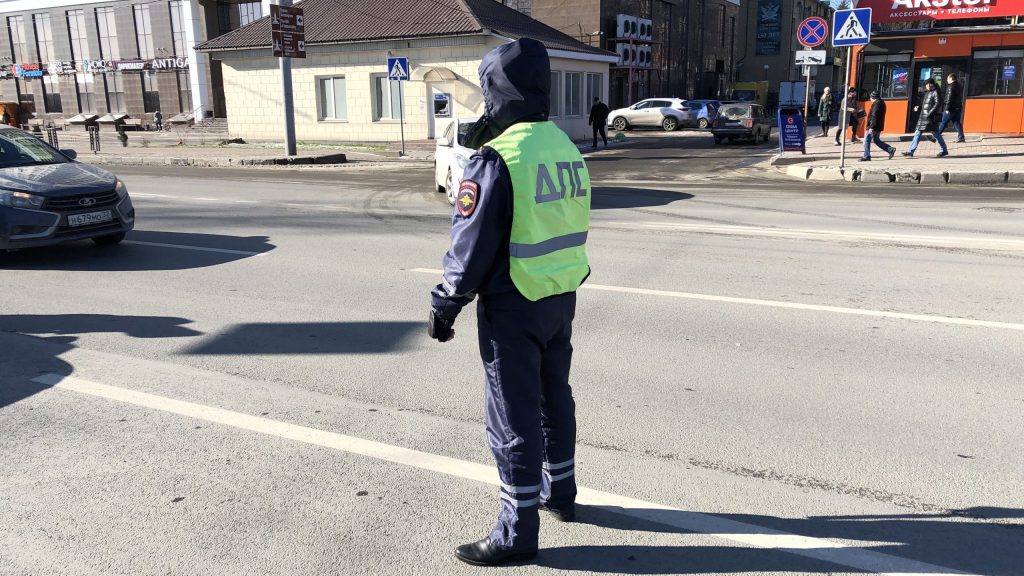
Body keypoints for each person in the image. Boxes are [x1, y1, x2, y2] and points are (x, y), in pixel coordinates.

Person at [428, 38, 589, 567]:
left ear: (498, 90)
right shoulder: (565, 148)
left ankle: (516, 532)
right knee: (553, 397)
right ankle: (560, 492)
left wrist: (445, 304)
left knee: (512, 414)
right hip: (559, 295)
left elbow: (470, 247)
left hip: (514, 301)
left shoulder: (499, 158)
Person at [903, 77, 946, 158]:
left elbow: (938, 103)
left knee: (934, 134)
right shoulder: (927, 93)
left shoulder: (936, 92)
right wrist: (919, 107)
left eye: (930, 84)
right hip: (924, 117)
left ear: (933, 84)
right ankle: (910, 151)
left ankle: (910, 151)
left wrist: (930, 113)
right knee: (921, 133)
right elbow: (926, 105)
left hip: (929, 117)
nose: (928, 85)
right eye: (927, 84)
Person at [860, 91, 896, 162]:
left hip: (873, 126)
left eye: (870, 98)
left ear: (873, 97)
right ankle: (890, 149)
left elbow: (874, 116)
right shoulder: (882, 102)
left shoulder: (876, 104)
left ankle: (867, 156)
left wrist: (871, 127)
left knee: (866, 140)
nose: (870, 99)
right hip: (878, 126)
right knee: (876, 140)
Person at [938, 72, 965, 143]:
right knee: (957, 122)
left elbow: (949, 99)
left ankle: (935, 137)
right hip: (958, 107)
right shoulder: (959, 85)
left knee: (943, 122)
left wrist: (946, 109)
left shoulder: (951, 87)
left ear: (951, 78)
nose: (947, 80)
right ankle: (961, 137)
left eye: (948, 78)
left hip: (951, 108)